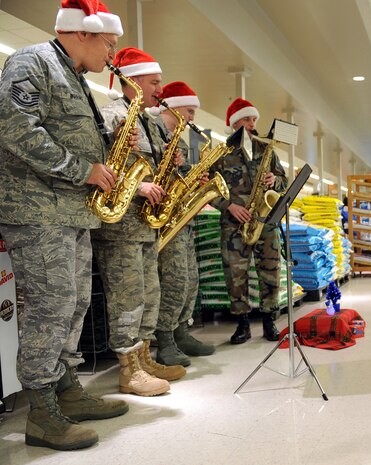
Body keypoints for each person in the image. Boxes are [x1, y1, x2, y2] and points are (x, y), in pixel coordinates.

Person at [0, 0, 128, 450]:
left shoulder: (74, 76)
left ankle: (65, 389)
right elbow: (15, 128)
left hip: (71, 211)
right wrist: (82, 169)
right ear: (84, 33)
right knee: (50, 306)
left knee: (73, 305)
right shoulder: (31, 60)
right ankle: (41, 412)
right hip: (36, 211)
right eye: (109, 43)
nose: (112, 52)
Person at [93, 47, 186, 397]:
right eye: (154, 82)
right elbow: (102, 162)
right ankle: (128, 370)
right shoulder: (110, 114)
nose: (159, 90)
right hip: (120, 224)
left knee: (149, 292)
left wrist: (170, 161)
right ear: (133, 81)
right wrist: (139, 186)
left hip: (145, 224)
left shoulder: (148, 119)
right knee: (127, 296)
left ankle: (144, 359)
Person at [209, 98, 288, 344]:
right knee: (235, 274)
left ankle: (269, 321)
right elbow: (210, 190)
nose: (252, 124)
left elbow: (284, 183)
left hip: (265, 222)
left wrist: (274, 182)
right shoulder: (221, 153)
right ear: (235, 123)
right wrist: (229, 206)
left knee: (270, 271)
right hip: (234, 224)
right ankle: (242, 324)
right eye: (246, 119)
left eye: (254, 119)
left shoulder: (267, 150)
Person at [152, 81, 215, 366]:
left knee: (189, 280)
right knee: (174, 280)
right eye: (189, 111)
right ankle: (165, 339)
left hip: (182, 219)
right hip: (164, 221)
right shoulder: (152, 130)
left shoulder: (175, 138)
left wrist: (192, 177)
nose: (191, 118)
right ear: (174, 106)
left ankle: (181, 331)